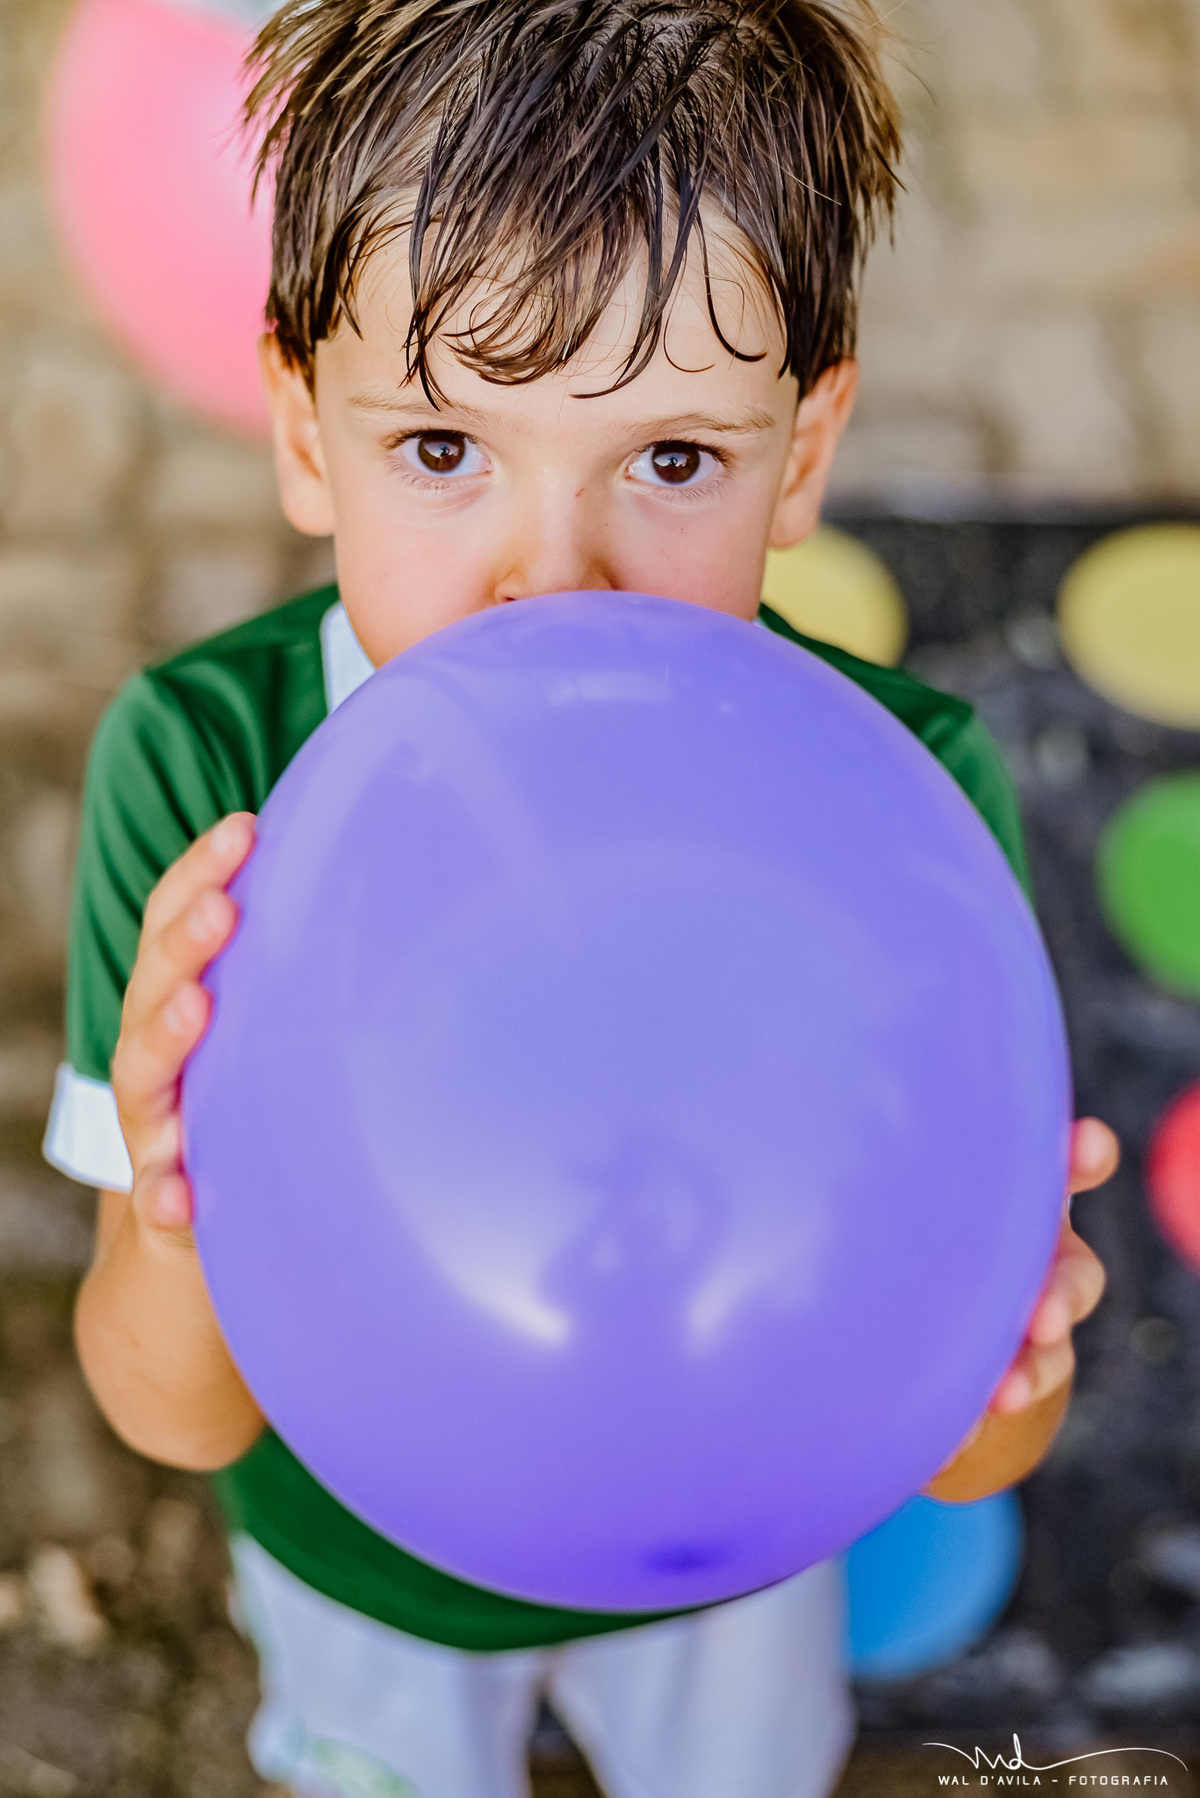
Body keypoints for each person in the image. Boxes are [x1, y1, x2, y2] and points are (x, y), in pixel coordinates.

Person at [44, 1, 1116, 1793]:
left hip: (727, 1573)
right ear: (304, 428)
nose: (551, 581)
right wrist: (170, 1197)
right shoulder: (206, 779)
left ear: (807, 448)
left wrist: (1002, 1354)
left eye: (673, 460)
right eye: (446, 450)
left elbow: (966, 1459)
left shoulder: (902, 812)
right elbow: (166, 1407)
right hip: (360, 1584)